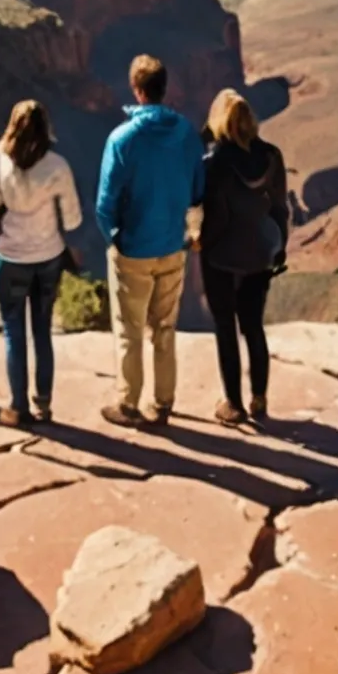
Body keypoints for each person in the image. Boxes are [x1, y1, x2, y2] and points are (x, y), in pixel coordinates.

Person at [94, 53, 203, 427]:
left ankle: (128, 405)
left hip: (133, 251)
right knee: (165, 329)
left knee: (130, 332)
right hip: (173, 247)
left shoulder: (122, 139)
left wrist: (116, 238)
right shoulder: (186, 132)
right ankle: (164, 403)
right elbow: (197, 188)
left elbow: (104, 204)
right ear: (163, 88)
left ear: (137, 91)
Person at [0, 99, 81, 427]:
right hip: (48, 258)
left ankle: (18, 406)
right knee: (42, 331)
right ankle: (44, 405)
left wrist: (0, 237)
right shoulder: (57, 166)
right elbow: (74, 220)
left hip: (9, 259)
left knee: (13, 332)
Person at [198, 89, 291, 427]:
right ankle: (260, 398)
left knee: (226, 327)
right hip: (261, 253)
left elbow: (217, 217)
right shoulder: (272, 156)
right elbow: (281, 208)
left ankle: (233, 405)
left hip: (221, 255)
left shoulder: (213, 164)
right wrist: (279, 247)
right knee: (253, 326)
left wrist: (202, 243)